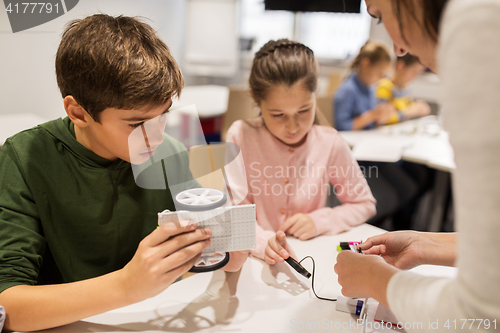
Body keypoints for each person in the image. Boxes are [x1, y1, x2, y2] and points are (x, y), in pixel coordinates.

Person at [0, 14, 247, 332]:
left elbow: (201, 256)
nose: (156, 136)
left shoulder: (169, 151)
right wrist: (127, 286)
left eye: (162, 116)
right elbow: (8, 305)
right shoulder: (23, 158)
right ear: (78, 112)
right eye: (136, 124)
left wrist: (231, 252)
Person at [335, 0, 500, 330]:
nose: (398, 48)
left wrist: (377, 282)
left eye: (381, 15)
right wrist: (429, 244)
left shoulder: (478, 25)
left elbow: (478, 316)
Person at [225, 39, 376, 265]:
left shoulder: (330, 142)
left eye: (304, 110)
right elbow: (234, 212)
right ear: (256, 99)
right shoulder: (241, 136)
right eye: (278, 115)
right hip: (251, 264)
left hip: (309, 261)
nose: (293, 127)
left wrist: (320, 221)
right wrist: (262, 240)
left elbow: (364, 203)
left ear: (315, 95)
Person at [334, 41, 395, 131]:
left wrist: (380, 117)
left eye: (384, 75)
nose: (381, 79)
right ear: (365, 64)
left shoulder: (370, 89)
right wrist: (372, 115)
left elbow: (369, 125)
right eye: (379, 73)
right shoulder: (348, 90)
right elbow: (342, 127)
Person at [376, 53, 431, 124]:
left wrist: (418, 107)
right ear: (400, 66)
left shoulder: (405, 87)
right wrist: (409, 112)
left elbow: (407, 106)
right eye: (414, 71)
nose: (415, 76)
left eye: (418, 73)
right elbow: (382, 118)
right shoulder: (383, 87)